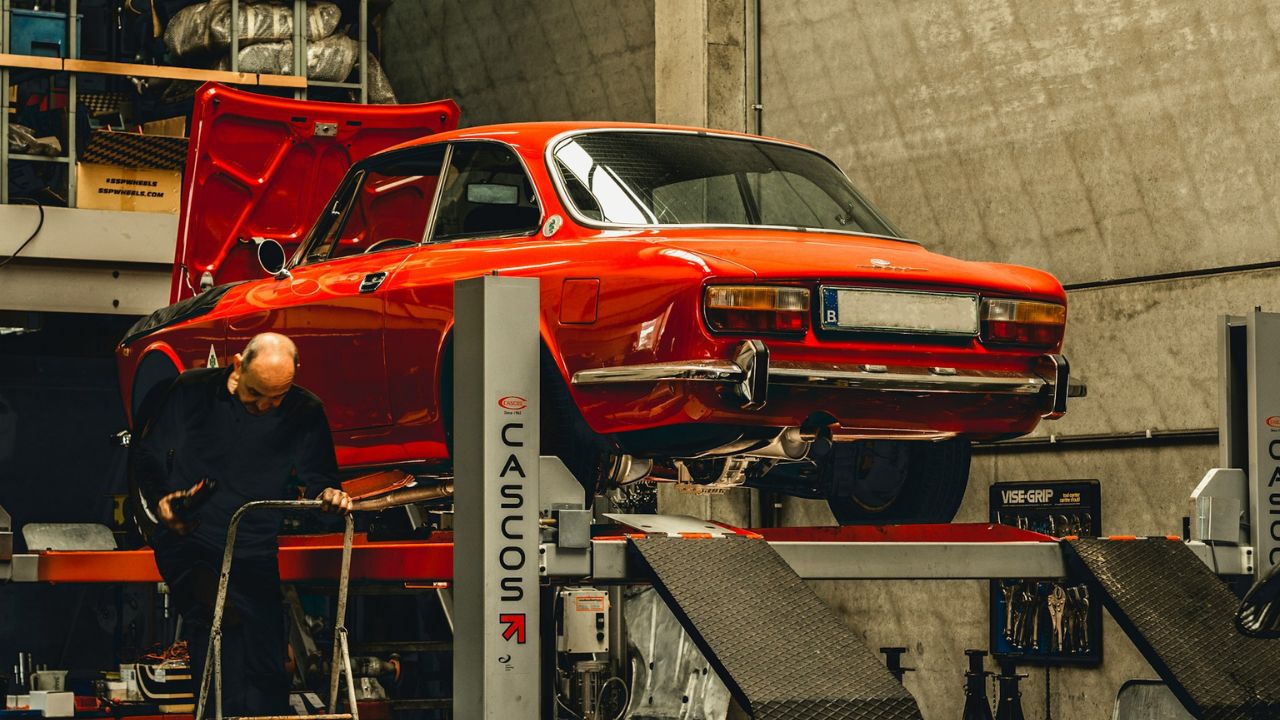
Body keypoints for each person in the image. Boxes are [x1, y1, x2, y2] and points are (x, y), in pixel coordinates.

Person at [130, 332, 352, 716]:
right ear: (237, 365)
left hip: (252, 547)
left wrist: (331, 498)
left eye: (276, 397)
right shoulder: (191, 392)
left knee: (267, 660)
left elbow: (322, 483)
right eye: (255, 393)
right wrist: (160, 506)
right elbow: (145, 458)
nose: (264, 405)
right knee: (221, 631)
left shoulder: (304, 411)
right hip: (190, 540)